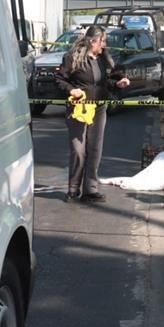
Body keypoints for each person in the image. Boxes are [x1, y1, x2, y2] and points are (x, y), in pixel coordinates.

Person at [55, 25, 130, 203]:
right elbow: (59, 79)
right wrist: (71, 90)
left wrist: (118, 84)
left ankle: (90, 189)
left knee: (95, 149)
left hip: (98, 108)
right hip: (79, 109)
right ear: (92, 41)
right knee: (78, 150)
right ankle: (73, 190)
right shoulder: (72, 58)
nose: (104, 45)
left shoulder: (103, 59)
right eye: (101, 41)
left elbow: (107, 82)